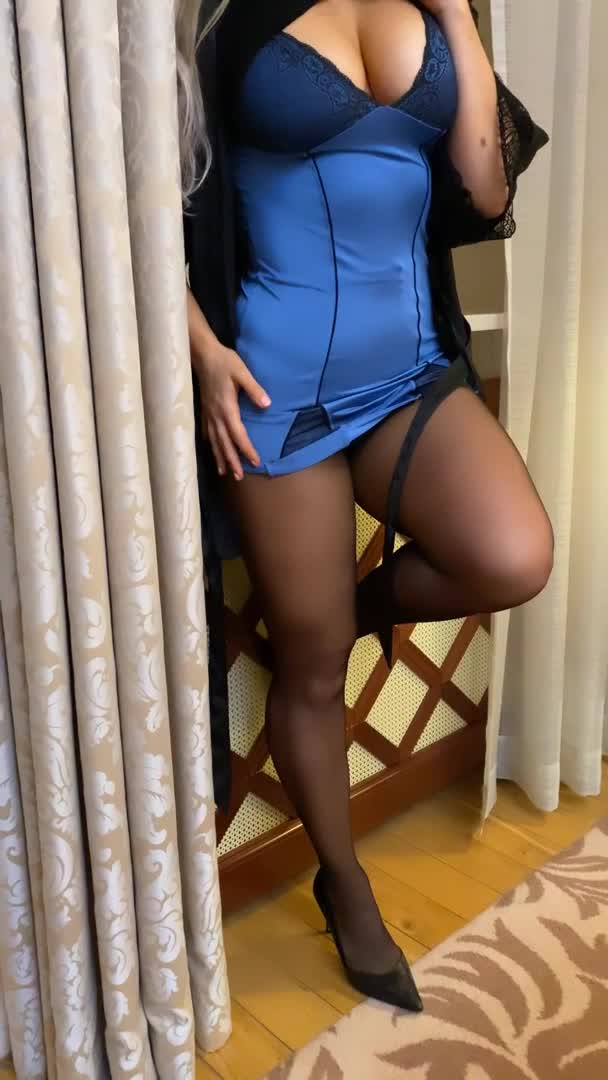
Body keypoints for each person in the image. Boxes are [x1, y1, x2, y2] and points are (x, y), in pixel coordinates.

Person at [181, 0, 550, 1011]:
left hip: (411, 370)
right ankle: (343, 886)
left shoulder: (429, 10)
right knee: (310, 667)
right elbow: (136, 201)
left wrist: (457, 17)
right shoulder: (223, 18)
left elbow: (483, 188)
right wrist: (199, 349)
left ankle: (350, 616)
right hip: (278, 390)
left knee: (512, 554)